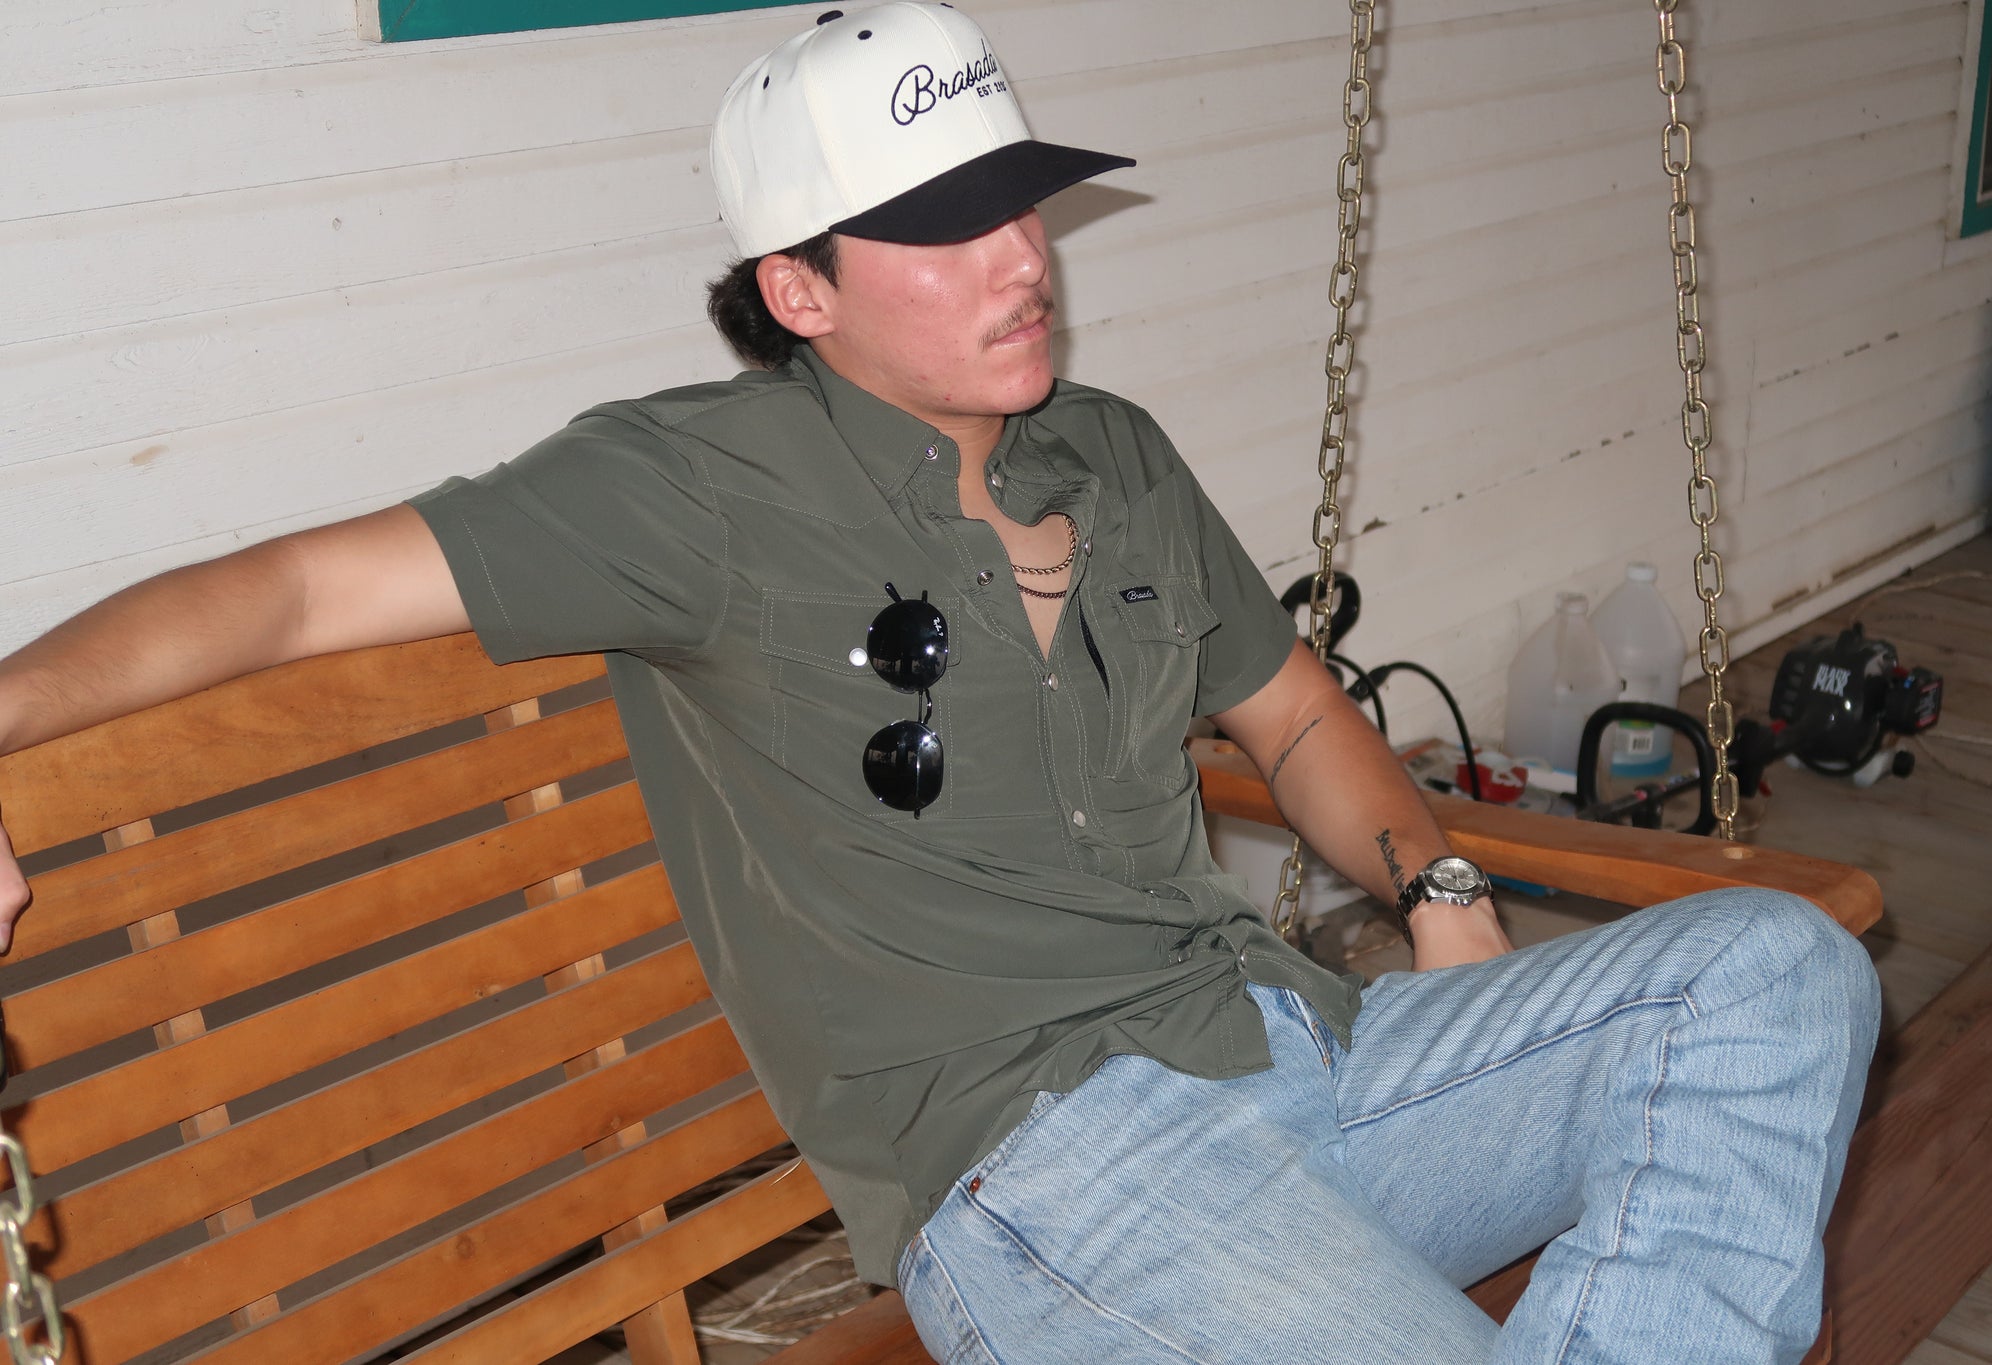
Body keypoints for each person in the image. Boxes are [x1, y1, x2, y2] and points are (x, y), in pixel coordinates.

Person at [0, 6, 1877, 1362]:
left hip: (1306, 1053)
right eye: (945, 227)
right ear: (799, 290)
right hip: (1054, 1175)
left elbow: (1299, 714)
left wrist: (1442, 885)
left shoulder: (1112, 452)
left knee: (1775, 968)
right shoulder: (694, 492)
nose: (1021, 260)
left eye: (1024, 206)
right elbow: (291, 591)